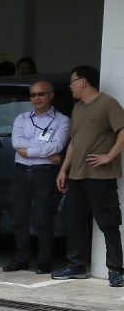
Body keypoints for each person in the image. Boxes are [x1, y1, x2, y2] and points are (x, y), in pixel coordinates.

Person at [55, 66, 124, 286]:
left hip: (101, 177)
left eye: (72, 81)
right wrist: (64, 169)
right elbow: (74, 141)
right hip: (77, 175)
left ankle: (117, 270)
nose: (70, 86)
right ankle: (76, 266)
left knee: (108, 223)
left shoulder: (108, 103)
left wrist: (109, 156)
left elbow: (123, 130)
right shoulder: (78, 108)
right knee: (74, 221)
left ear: (83, 81)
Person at [7, 80, 68, 274]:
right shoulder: (22, 118)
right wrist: (44, 151)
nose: (36, 98)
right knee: (19, 218)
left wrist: (30, 150)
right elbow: (17, 143)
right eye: (33, 95)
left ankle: (45, 260)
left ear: (51, 95)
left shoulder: (62, 120)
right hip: (21, 172)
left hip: (44, 173)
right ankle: (21, 258)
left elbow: (57, 146)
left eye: (41, 94)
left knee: (43, 218)